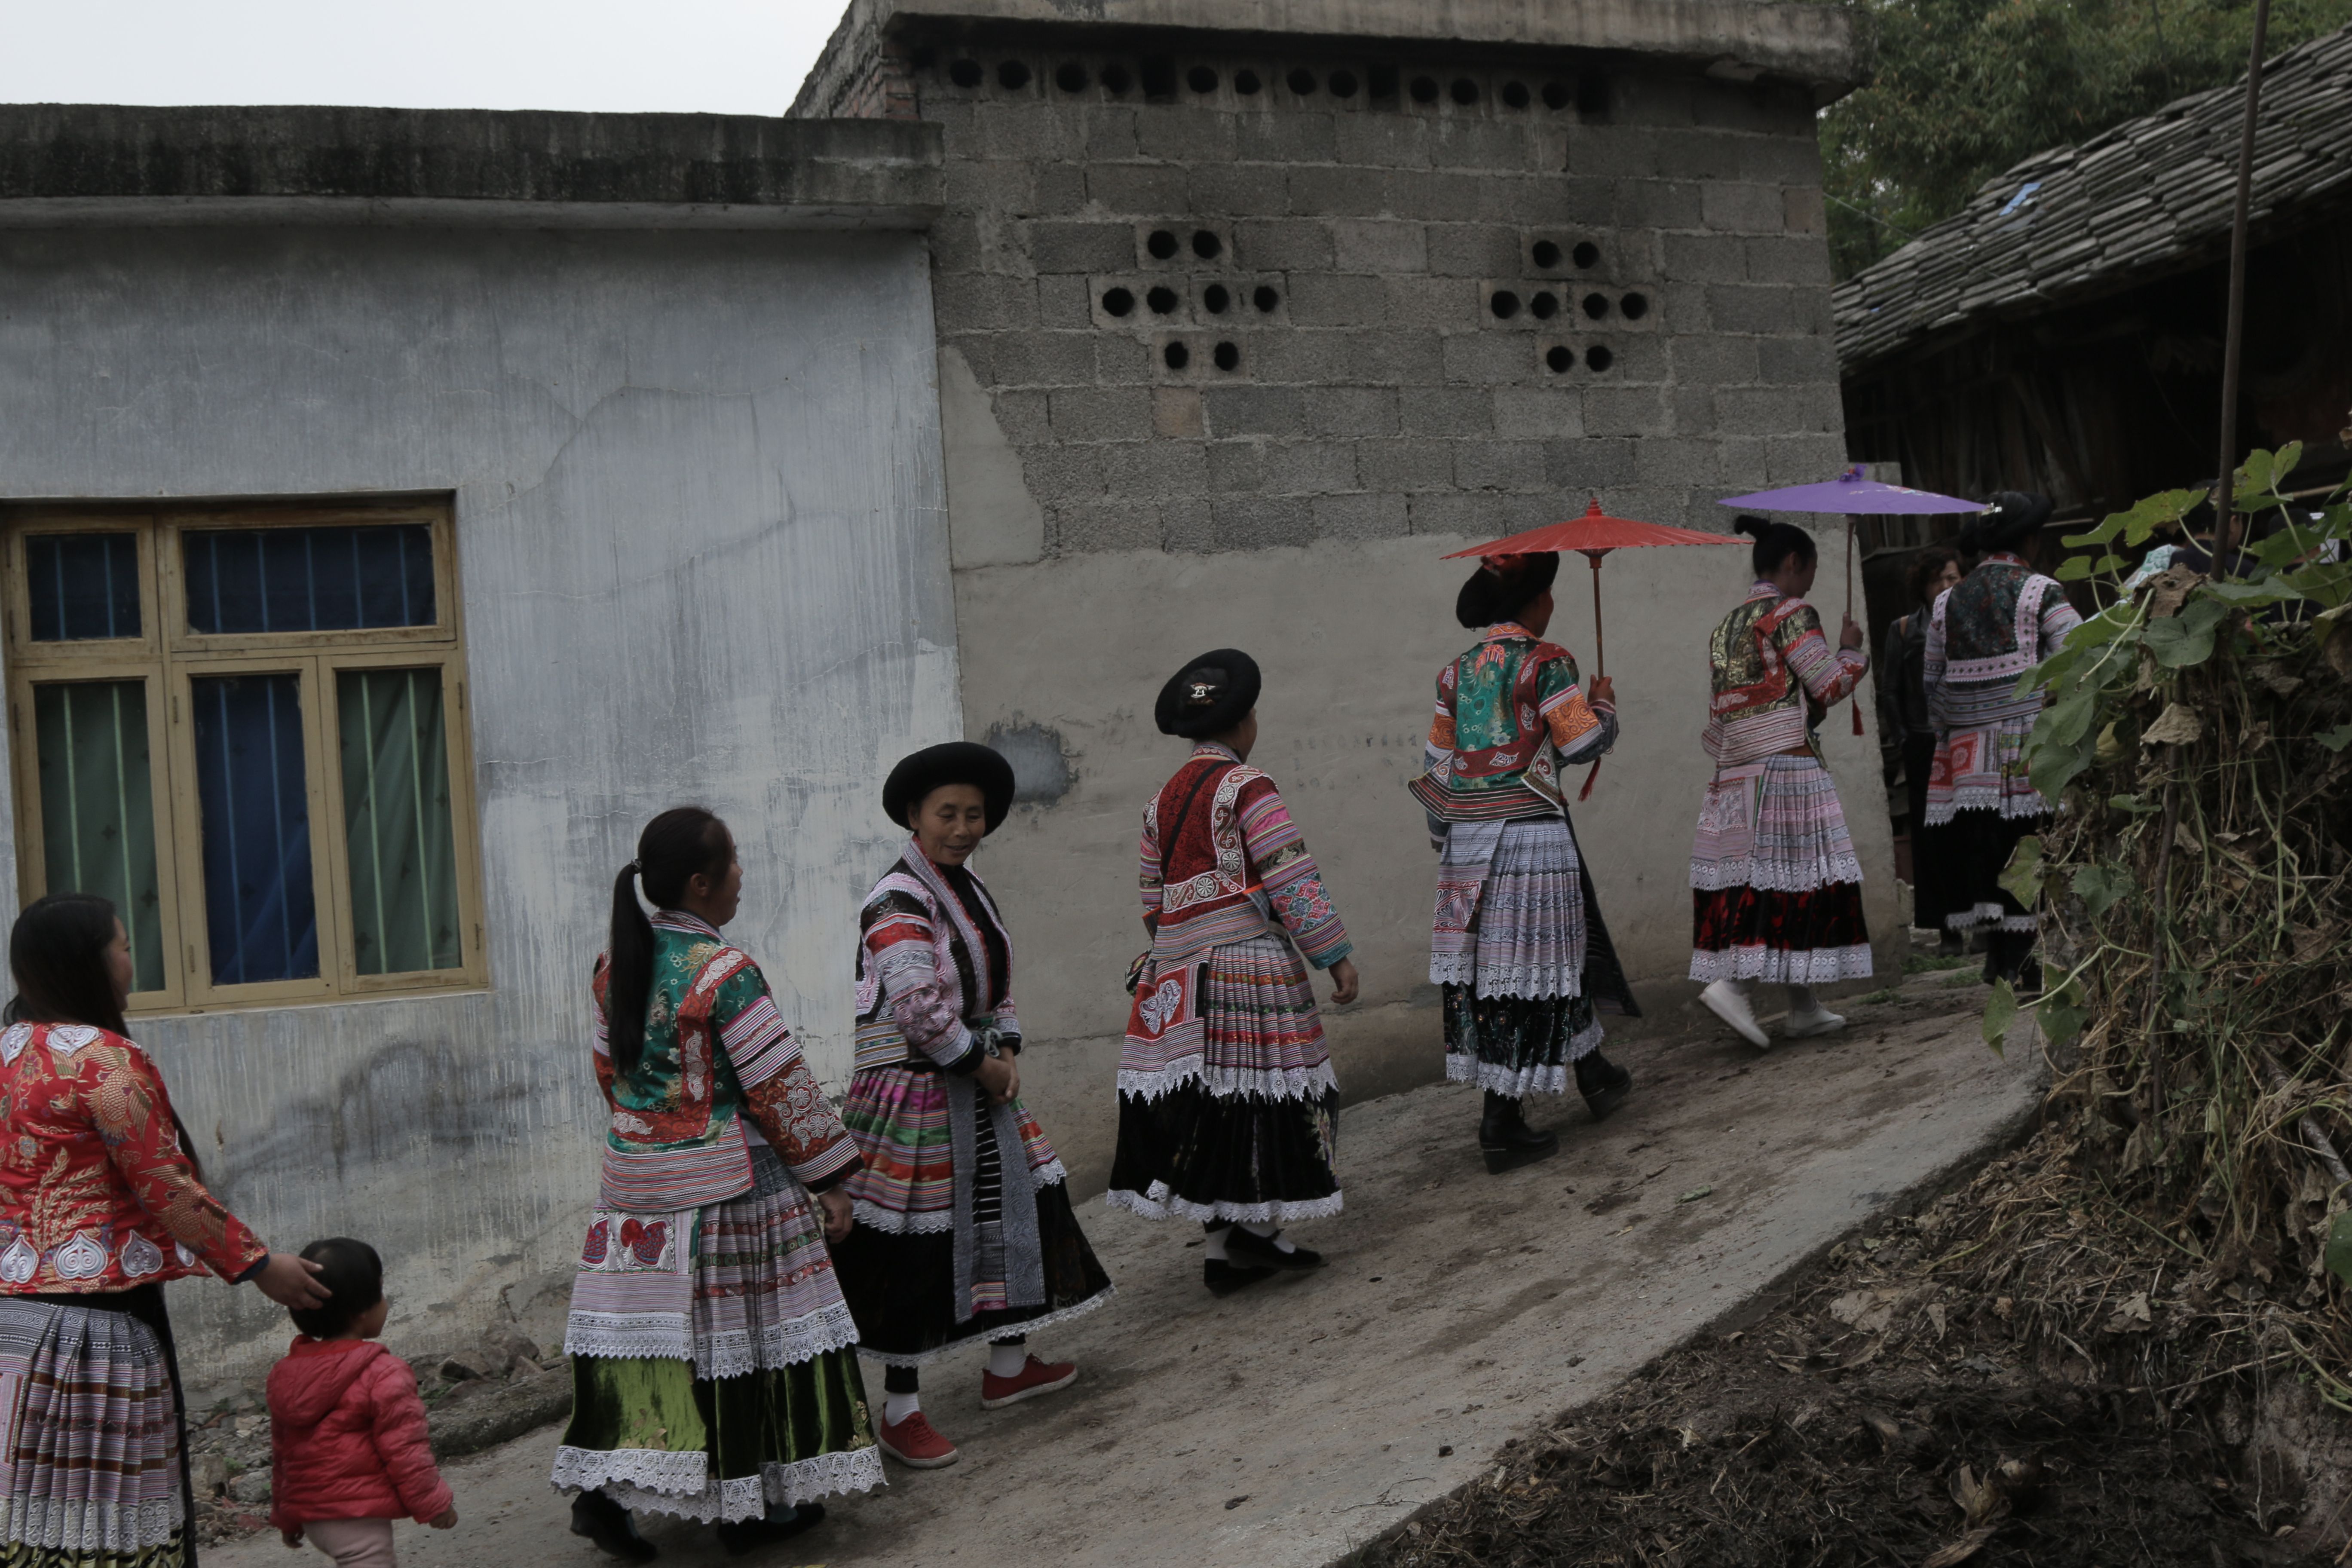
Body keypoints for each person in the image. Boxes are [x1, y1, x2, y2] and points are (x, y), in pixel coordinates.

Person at [554, 808, 881, 1559]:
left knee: (647, 1346)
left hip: (634, 1191)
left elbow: (611, 1072)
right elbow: (776, 1083)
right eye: (732, 862)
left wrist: (650, 1141)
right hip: (728, 1190)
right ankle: (746, 1508)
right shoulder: (723, 972)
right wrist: (831, 1179)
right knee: (740, 1345)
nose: (741, 874)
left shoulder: (613, 965)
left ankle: (606, 1493)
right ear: (700, 883)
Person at [0, 891, 331, 1568]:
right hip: (100, 1327)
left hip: (13, 1322)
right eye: (123, 947)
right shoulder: (105, 1063)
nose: (132, 962)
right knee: (116, 1515)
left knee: (33, 1507)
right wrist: (257, 1264)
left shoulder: (7, 1051)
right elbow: (165, 1188)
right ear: (88, 964)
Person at [829, 743, 1113, 1471]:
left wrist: (1006, 1047)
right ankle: (901, 1410)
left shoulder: (968, 888)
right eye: (946, 814)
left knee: (1019, 1207)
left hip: (975, 1079)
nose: (961, 828)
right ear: (914, 816)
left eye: (974, 814)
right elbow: (917, 1006)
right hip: (914, 1093)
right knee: (914, 1242)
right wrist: (982, 1063)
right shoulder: (895, 900)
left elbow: (995, 981)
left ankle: (1009, 1365)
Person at [1108, 650, 1362, 1292]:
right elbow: (1290, 874)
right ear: (1246, 720)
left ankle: (1222, 1252)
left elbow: (1152, 901)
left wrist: (1183, 946)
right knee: (1263, 1094)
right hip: (1247, 965)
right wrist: (1332, 954)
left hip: (1179, 976)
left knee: (1215, 1104)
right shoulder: (1248, 786)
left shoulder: (1158, 805)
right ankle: (1256, 1232)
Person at [1407, 556, 1637, 1174]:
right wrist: (1604, 708)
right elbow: (1581, 742)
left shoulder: (1455, 674)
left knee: (1516, 967)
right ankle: (1501, 1120)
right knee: (1531, 966)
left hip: (1467, 841)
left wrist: (1442, 835)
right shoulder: (1546, 662)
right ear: (1537, 600)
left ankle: (1594, 1073)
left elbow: (1438, 761)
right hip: (1530, 838)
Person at [1690, 518, 1874, 1047]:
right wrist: (1851, 651)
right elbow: (1829, 685)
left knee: (1773, 878)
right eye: (1811, 569)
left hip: (1736, 771)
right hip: (1785, 768)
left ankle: (1803, 1005)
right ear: (1794, 562)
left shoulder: (1727, 625)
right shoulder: (1792, 613)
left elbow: (1743, 705)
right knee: (1788, 881)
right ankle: (1735, 987)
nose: (1811, 583)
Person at [1923, 492, 2084, 991]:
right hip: (2027, 747)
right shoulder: (2040, 591)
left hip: (1968, 755)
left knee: (1986, 851)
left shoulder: (1947, 601)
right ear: (2030, 540)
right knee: (2027, 849)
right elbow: (2076, 654)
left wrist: (1954, 730)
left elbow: (1931, 680)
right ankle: (2029, 962)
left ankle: (1998, 958)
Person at [270, 1238, 457, 1566]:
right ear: (361, 1310)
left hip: (313, 1519)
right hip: (357, 1518)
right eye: (381, 1292)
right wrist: (434, 1504)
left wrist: (286, 1516)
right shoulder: (382, 1373)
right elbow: (406, 1451)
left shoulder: (286, 1374)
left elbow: (283, 1455)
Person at [1878, 548, 1966, 953]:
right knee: (1932, 841)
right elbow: (1890, 690)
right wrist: (1904, 739)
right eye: (1938, 580)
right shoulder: (1903, 630)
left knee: (1973, 831)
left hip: (1965, 740)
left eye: (1953, 578)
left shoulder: (1971, 624)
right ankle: (1948, 929)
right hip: (1923, 744)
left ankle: (1985, 923)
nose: (1946, 586)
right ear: (1923, 587)